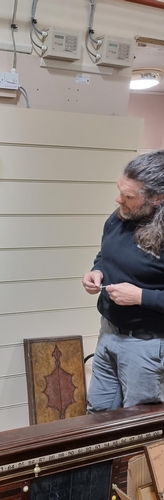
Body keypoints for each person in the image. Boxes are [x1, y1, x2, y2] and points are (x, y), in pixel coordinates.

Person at [82, 150, 164, 413]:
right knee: (98, 415)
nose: (119, 199)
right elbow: (105, 254)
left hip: (147, 346)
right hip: (109, 333)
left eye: (129, 196)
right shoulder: (120, 216)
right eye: (120, 190)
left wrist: (141, 297)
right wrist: (97, 271)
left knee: (138, 429)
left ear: (157, 198)